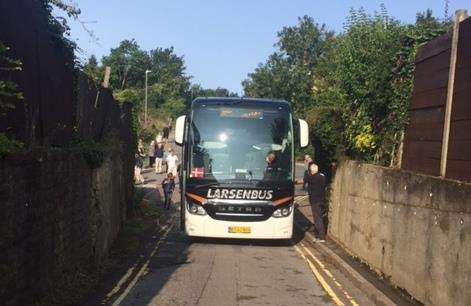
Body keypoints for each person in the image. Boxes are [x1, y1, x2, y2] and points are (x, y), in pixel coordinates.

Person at [304, 162, 326, 242]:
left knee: (317, 219)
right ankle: (318, 235)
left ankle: (321, 237)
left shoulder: (312, 178)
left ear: (312, 171)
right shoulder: (322, 176)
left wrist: (307, 172)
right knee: (320, 217)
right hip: (322, 200)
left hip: (315, 201)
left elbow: (306, 179)